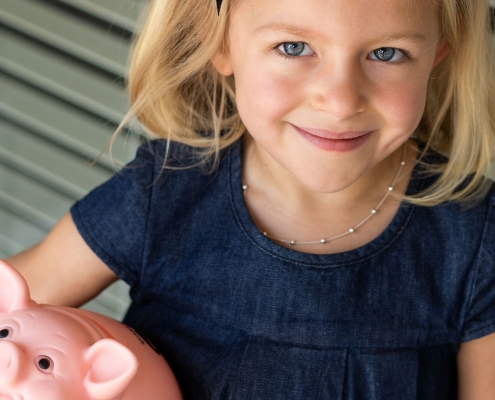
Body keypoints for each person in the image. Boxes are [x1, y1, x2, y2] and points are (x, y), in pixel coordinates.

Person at [6, 0, 495, 398]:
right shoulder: (168, 189)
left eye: (387, 53)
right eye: (293, 46)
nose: (341, 100)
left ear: (438, 52)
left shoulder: (475, 237)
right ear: (220, 45)